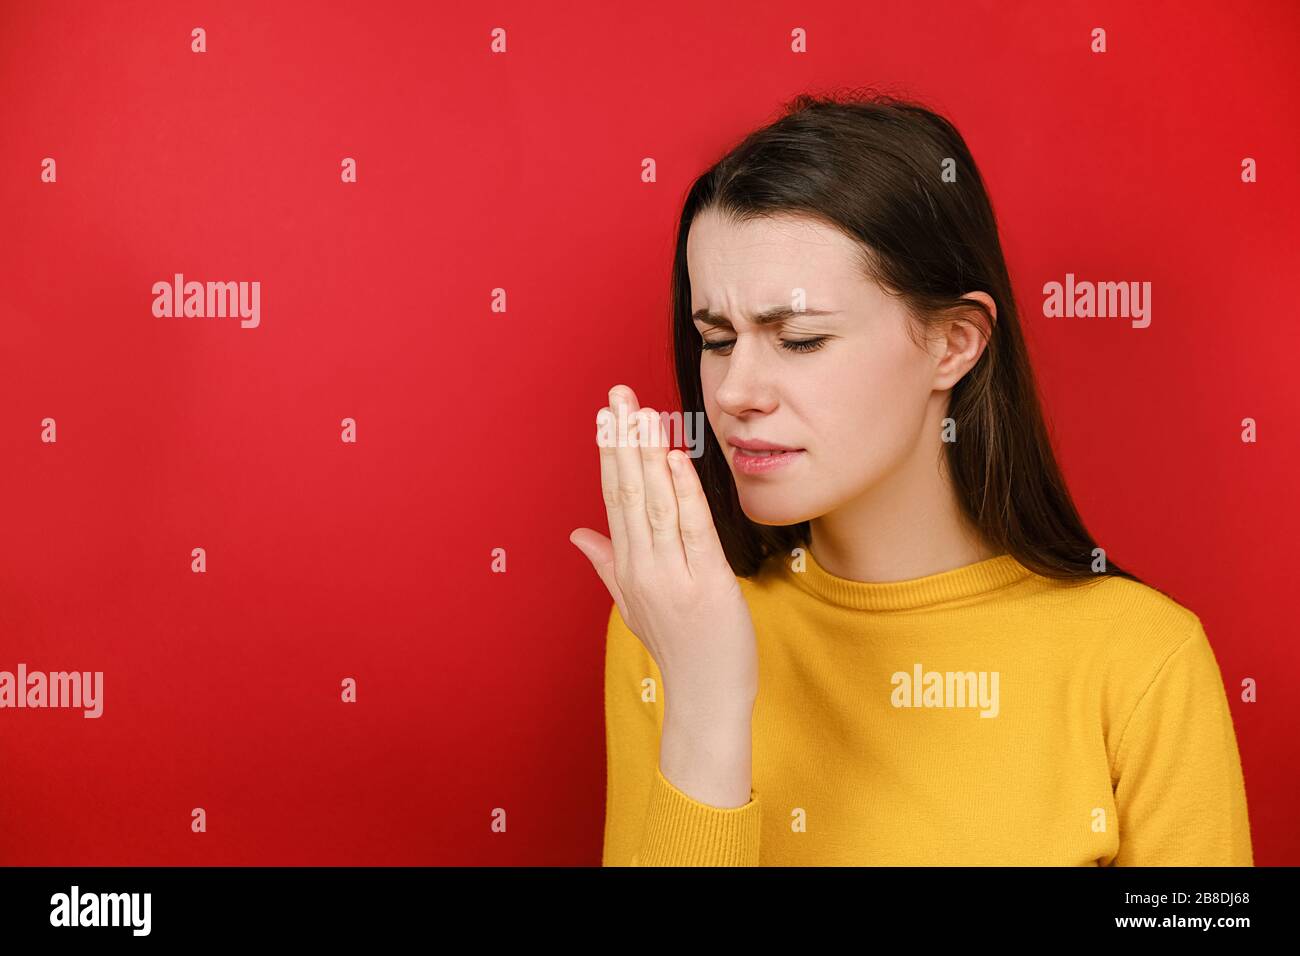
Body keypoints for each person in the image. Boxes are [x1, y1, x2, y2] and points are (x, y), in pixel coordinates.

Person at [569, 91, 1252, 866]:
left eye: (799, 339)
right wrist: (705, 702)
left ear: (954, 343)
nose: (731, 392)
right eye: (716, 338)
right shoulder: (666, 627)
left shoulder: (1140, 660)